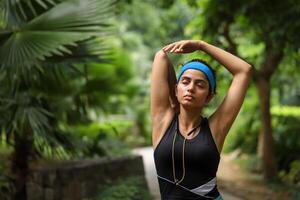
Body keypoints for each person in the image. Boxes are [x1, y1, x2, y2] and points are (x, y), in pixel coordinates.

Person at [151, 40, 252, 200]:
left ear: (209, 96)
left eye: (200, 85)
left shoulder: (215, 128)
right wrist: (173, 97)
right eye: (185, 82)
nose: (191, 88)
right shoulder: (162, 121)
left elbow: (244, 71)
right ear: (176, 89)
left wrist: (200, 45)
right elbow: (161, 57)